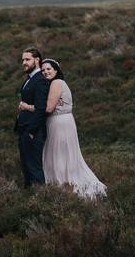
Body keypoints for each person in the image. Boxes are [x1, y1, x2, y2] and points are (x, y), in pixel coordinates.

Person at [19, 58, 107, 199]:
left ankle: (62, 185)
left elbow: (48, 108)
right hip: (62, 121)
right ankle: (60, 184)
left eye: (49, 69)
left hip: (59, 122)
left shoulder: (56, 83)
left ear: (56, 70)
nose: (46, 72)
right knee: (62, 155)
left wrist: (26, 106)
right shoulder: (55, 83)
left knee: (58, 155)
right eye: (43, 70)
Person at [14, 47, 49, 188]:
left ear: (37, 60)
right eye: (23, 60)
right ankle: (29, 200)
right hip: (24, 130)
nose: (24, 62)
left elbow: (41, 109)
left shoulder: (40, 79)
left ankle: (42, 199)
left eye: (27, 59)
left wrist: (31, 132)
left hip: (33, 132)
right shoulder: (30, 79)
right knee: (26, 168)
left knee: (34, 168)